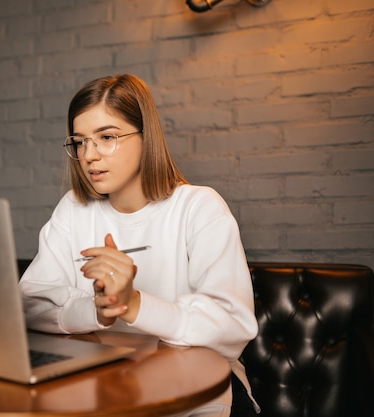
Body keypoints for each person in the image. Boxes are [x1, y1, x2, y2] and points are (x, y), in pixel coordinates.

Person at [18, 74, 259, 416]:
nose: (89, 155)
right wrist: (97, 310)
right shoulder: (74, 208)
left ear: (146, 137)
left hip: (196, 390)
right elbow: (29, 302)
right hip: (105, 386)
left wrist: (133, 304)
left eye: (107, 137)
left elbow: (232, 325)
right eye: (80, 141)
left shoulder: (199, 207)